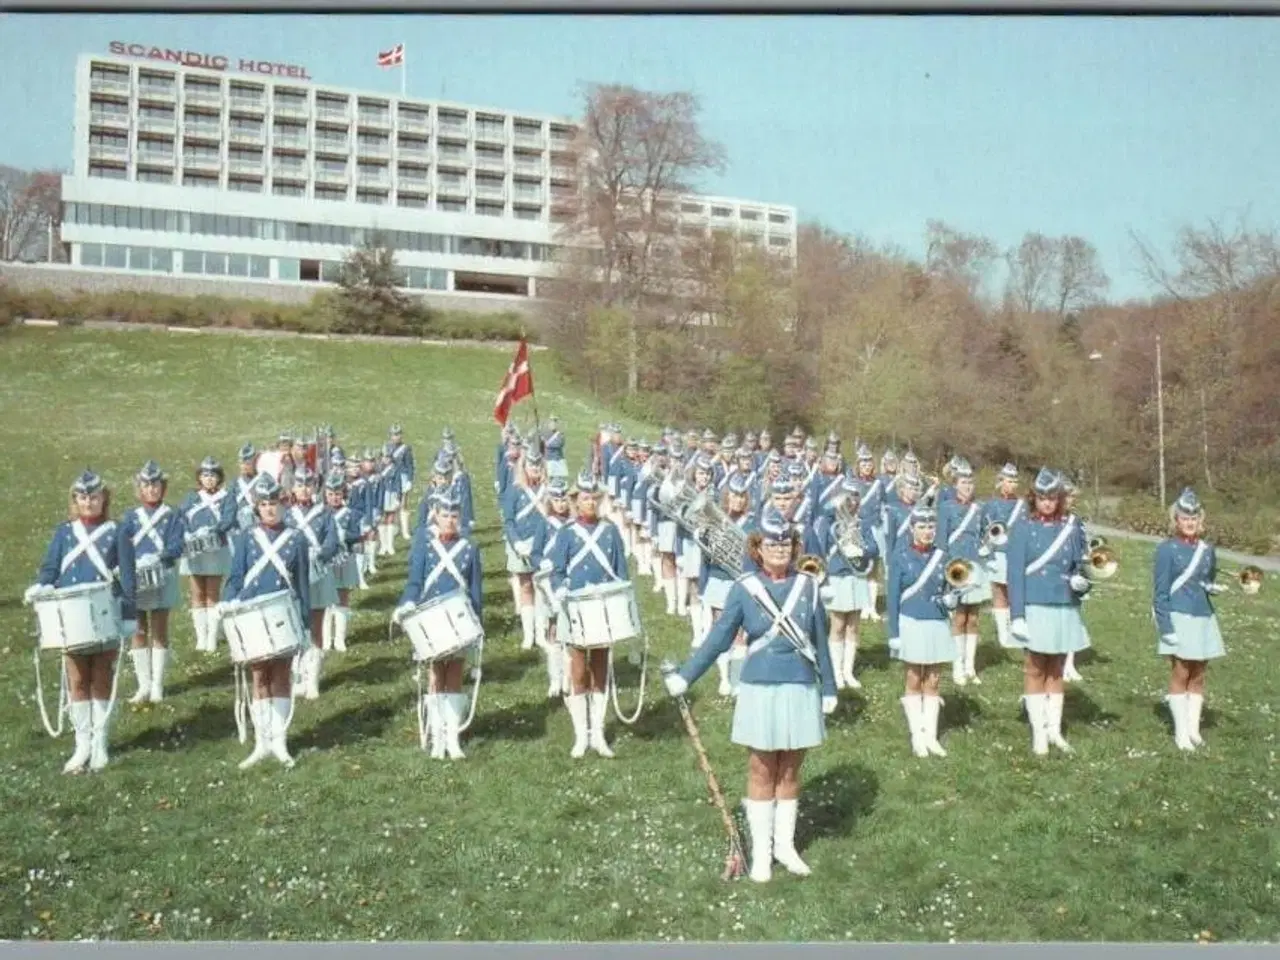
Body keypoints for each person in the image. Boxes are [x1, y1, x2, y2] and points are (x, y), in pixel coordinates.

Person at [663, 506, 838, 884]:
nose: (780, 550)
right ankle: (761, 854)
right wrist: (686, 676)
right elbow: (719, 638)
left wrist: (829, 686)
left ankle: (785, 847)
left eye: (786, 544)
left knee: (790, 769)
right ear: (758, 549)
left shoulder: (808, 586)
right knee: (761, 769)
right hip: (760, 686)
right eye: (772, 545)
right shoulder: (745, 588)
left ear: (794, 547)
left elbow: (821, 640)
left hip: (800, 684)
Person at [25, 470, 138, 773]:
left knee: (101, 677)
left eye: (94, 497)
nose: (89, 502)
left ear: (104, 499)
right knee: (76, 679)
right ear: (75, 500)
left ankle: (100, 743)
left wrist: (129, 614)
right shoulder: (65, 532)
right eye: (83, 497)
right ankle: (82, 745)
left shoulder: (118, 531)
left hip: (104, 613)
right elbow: (51, 568)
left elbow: (129, 578)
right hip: (71, 617)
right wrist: (43, 585)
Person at [219, 473, 310, 770]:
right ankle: (261, 742)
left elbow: (303, 586)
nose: (270, 509)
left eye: (274, 503)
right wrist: (229, 600)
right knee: (259, 676)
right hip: (253, 615)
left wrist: (306, 626)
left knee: (281, 675)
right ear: (257, 507)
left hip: (283, 615)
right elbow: (236, 577)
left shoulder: (296, 539)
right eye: (264, 504)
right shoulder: (246, 537)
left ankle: (279, 742)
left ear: (283, 505)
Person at [1006, 468, 1093, 755]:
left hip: (1063, 604)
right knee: (1035, 667)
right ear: (1034, 499)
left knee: (1056, 668)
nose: (1047, 503)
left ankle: (1054, 730)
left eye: (1052, 498)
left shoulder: (1071, 526)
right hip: (1035, 605)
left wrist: (1082, 583)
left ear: (1059, 499)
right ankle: (1039, 733)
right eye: (1042, 498)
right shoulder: (1022, 528)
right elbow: (1014, 575)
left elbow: (1080, 566)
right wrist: (1017, 616)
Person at [394, 489, 484, 760]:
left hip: (458, 619)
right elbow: (415, 581)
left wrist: (478, 625)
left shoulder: (470, 548)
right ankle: (437, 736)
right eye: (445, 515)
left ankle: (452, 737)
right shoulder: (425, 546)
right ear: (436, 515)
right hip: (432, 618)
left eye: (454, 516)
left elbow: (475, 591)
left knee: (454, 674)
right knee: (435, 675)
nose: (450, 520)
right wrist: (407, 602)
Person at [548, 472, 631, 759]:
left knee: (600, 669)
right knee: (578, 671)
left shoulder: (610, 532)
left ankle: (598, 733)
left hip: (603, 610)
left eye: (594, 498)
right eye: (585, 498)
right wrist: (559, 589)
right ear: (576, 501)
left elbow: (621, 573)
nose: (590, 503)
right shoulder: (567, 533)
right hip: (576, 609)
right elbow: (557, 571)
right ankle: (580, 736)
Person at [1153, 488, 1226, 751]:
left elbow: (1206, 579)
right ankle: (1180, 733)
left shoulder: (1207, 550)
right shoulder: (1166, 549)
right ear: (1176, 520)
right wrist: (1166, 627)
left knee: (1199, 674)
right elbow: (1160, 593)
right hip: (1179, 615)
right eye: (1185, 518)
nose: (1190, 523)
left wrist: (1211, 588)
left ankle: (1194, 731)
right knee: (1181, 671)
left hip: (1203, 615)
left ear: (1200, 520)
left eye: (1194, 518)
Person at [886, 504, 955, 758]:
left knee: (934, 680)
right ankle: (917, 735)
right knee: (914, 677)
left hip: (936, 621)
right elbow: (893, 598)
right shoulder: (900, 557)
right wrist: (893, 633)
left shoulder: (943, 556)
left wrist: (952, 600)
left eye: (931, 527)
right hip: (911, 621)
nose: (927, 532)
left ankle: (931, 736)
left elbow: (949, 588)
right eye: (922, 527)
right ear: (912, 529)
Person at [121, 460, 185, 705]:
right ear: (140, 488)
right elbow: (123, 544)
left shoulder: (172, 514)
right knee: (137, 630)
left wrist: (161, 557)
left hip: (162, 575)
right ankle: (143, 685)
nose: (151, 489)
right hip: (137, 577)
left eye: (155, 485)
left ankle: (157, 684)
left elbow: (177, 544)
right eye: (146, 485)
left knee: (159, 629)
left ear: (162, 487)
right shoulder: (131, 516)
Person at [809, 478, 880, 690]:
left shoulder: (862, 522)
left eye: (856, 497)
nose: (852, 501)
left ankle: (848, 671)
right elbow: (819, 549)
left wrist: (862, 550)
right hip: (837, 576)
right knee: (838, 625)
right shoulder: (828, 521)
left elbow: (874, 548)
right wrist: (823, 580)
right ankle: (836, 672)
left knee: (853, 626)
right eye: (848, 497)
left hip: (857, 576)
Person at [697, 473, 758, 695]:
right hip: (719, 580)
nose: (738, 500)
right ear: (727, 497)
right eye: (734, 495)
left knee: (740, 633)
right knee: (721, 630)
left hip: (741, 582)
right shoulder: (717, 520)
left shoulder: (752, 524)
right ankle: (724, 679)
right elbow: (705, 556)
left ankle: (737, 679)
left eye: (742, 496)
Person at [936, 459, 992, 687]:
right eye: (963, 483)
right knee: (959, 618)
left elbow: (984, 533)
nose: (967, 487)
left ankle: (970, 666)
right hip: (956, 567)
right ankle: (957, 665)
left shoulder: (979, 508)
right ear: (955, 485)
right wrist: (943, 570)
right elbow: (941, 541)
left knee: (974, 618)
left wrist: (986, 546)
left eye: (970, 483)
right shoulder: (946, 508)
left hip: (975, 565)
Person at [287, 467, 341, 700]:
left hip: (317, 573)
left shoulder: (325, 514)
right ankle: (298, 676)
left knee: (316, 626)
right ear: (293, 488)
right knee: (295, 626)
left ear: (315, 487)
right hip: (293, 577)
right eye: (300, 485)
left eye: (309, 485)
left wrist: (320, 553)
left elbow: (332, 542)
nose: (304, 489)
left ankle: (313, 680)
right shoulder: (287, 514)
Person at [179, 456, 238, 654]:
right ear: (199, 478)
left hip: (215, 548)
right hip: (194, 549)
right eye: (205, 475)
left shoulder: (227, 496)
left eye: (213, 475)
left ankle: (212, 636)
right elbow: (181, 518)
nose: (209, 479)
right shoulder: (192, 497)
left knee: (212, 593)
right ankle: (201, 637)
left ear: (219, 477)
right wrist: (188, 533)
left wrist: (214, 530)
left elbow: (229, 519)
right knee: (197, 593)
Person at [501, 445, 548, 650]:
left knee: (542, 588)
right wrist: (517, 542)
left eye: (538, 465)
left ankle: (542, 634)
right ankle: (529, 636)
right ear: (524, 466)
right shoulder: (515, 490)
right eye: (531, 465)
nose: (535, 468)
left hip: (543, 545)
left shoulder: (549, 490)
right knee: (526, 587)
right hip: (521, 544)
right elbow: (509, 521)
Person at [530, 477, 573, 698]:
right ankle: (555, 677)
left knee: (571, 631)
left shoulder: (574, 525)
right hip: (548, 582)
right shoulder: (544, 524)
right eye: (556, 500)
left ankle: (569, 677)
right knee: (554, 631)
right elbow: (535, 553)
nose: (561, 504)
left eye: (564, 499)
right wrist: (541, 562)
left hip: (569, 581)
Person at [980, 463, 1024, 652]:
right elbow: (983, 528)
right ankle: (1003, 634)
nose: (1012, 484)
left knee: (1016, 592)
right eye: (1009, 480)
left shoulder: (1022, 505)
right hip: (998, 552)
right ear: (1001, 481)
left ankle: (1016, 629)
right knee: (999, 592)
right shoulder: (991, 504)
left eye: (1015, 481)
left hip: (1017, 552)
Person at [388, 424, 416, 541]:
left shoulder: (405, 449)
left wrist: (409, 480)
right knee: (392, 504)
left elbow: (410, 465)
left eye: (398, 434)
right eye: (394, 435)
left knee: (403, 504)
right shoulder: (387, 448)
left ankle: (405, 530)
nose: (396, 437)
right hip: (391, 478)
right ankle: (394, 527)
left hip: (402, 478)